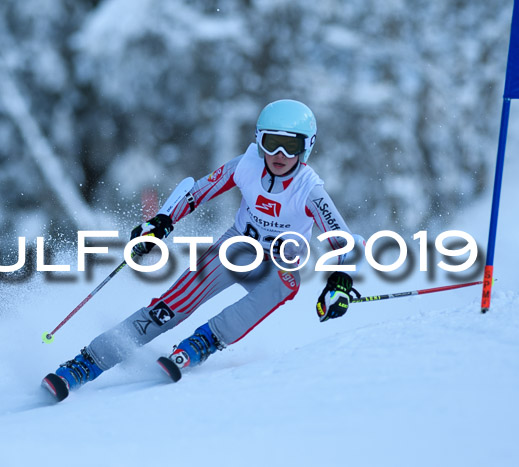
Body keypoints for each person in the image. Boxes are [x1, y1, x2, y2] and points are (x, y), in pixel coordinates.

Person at [42, 99, 364, 401]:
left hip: (277, 266)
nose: (279, 153)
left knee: (286, 282)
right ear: (258, 140)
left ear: (306, 148)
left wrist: (340, 281)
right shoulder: (246, 165)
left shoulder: (310, 190)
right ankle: (87, 362)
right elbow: (197, 192)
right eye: (270, 142)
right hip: (235, 249)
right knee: (165, 311)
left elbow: (345, 243)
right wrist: (162, 223)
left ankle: (205, 341)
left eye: (290, 145)